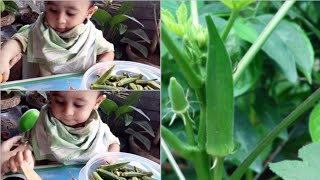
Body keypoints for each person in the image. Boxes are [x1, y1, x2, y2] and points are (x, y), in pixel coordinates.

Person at [0, 0, 115, 82]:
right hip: (48, 87)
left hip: (80, 87)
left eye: (70, 13)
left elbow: (108, 51)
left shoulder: (92, 36)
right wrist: (4, 56)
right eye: (53, 10)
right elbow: (18, 42)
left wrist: (102, 64)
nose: (60, 20)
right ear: (45, 5)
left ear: (89, 12)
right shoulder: (41, 30)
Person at [7, 91, 120, 172]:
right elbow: (31, 148)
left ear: (97, 102)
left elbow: (114, 143)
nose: (67, 112)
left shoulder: (98, 127)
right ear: (50, 96)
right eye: (59, 101)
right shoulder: (45, 123)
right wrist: (28, 161)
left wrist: (110, 158)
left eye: (78, 105)